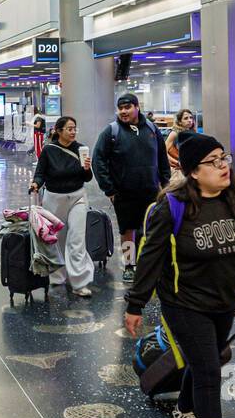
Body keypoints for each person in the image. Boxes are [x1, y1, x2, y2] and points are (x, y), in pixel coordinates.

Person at [124, 133, 235, 418]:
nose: (223, 166)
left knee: (208, 359)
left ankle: (185, 411)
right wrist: (135, 304)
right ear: (193, 172)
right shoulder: (172, 206)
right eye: (213, 162)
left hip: (222, 300)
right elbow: (149, 257)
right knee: (209, 370)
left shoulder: (233, 199)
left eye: (223, 158)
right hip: (183, 303)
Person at [91, 93, 171, 283]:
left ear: (137, 107)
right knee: (127, 230)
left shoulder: (152, 129)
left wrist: (166, 184)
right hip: (124, 193)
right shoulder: (112, 132)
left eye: (128, 107)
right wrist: (109, 189)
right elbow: (98, 160)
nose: (124, 111)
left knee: (152, 229)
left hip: (151, 190)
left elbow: (162, 157)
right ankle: (129, 265)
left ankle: (151, 263)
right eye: (121, 108)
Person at [28, 116, 94, 297]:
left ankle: (80, 283)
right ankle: (57, 277)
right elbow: (40, 173)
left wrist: (87, 168)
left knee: (77, 239)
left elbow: (87, 178)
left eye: (75, 128)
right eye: (69, 129)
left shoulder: (81, 149)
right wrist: (35, 184)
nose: (73, 132)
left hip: (78, 197)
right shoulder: (49, 150)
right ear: (59, 131)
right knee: (56, 239)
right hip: (54, 198)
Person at [165, 109, 199, 176]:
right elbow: (163, 151)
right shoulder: (174, 133)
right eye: (186, 118)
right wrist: (176, 162)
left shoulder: (192, 132)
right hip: (178, 169)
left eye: (191, 117)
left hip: (189, 166)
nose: (189, 120)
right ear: (180, 122)